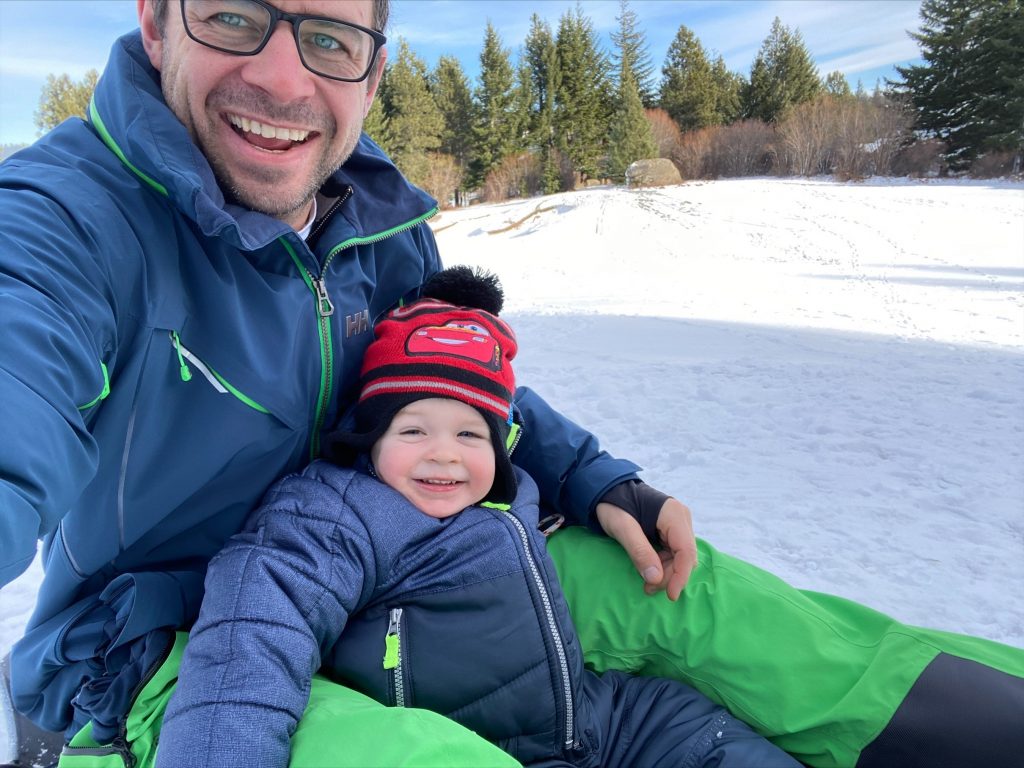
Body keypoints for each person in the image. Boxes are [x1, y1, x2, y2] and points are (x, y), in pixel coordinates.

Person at [0, 1, 1020, 767]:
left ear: (372, 65)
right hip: (161, 654)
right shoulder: (66, 219)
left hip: (404, 551)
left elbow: (443, 388)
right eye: (234, 16)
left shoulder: (370, 219)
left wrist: (591, 476)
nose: (281, 77)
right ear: (153, 19)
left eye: (329, 38)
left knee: (708, 605)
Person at [154, 266, 801, 768]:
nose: (444, 454)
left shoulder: (509, 486)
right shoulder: (332, 516)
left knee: (710, 736)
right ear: (370, 434)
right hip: (475, 748)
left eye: (470, 434)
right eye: (413, 429)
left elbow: (545, 439)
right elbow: (251, 646)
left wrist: (610, 486)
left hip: (596, 723)